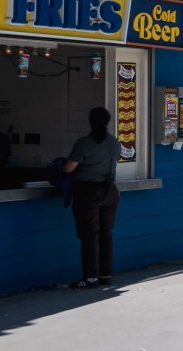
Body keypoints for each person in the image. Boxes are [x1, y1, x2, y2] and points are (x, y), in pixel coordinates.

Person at [63, 107, 121, 288]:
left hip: (88, 192)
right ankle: (106, 275)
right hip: (110, 191)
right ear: (108, 122)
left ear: (90, 122)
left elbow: (68, 168)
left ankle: (90, 277)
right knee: (106, 234)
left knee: (90, 236)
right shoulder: (115, 143)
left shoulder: (84, 143)